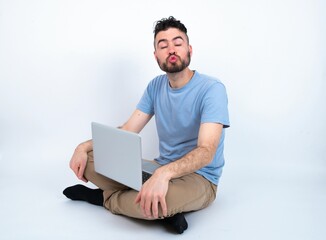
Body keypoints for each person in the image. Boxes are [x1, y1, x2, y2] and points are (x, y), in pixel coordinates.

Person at [63, 16, 230, 234]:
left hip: (200, 178)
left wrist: (164, 175)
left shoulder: (212, 89)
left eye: (177, 43)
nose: (171, 49)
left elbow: (207, 151)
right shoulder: (155, 86)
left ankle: (105, 197)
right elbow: (126, 131)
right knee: (91, 160)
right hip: (158, 168)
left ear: (189, 49)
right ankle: (151, 202)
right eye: (163, 45)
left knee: (161, 202)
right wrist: (83, 147)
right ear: (156, 55)